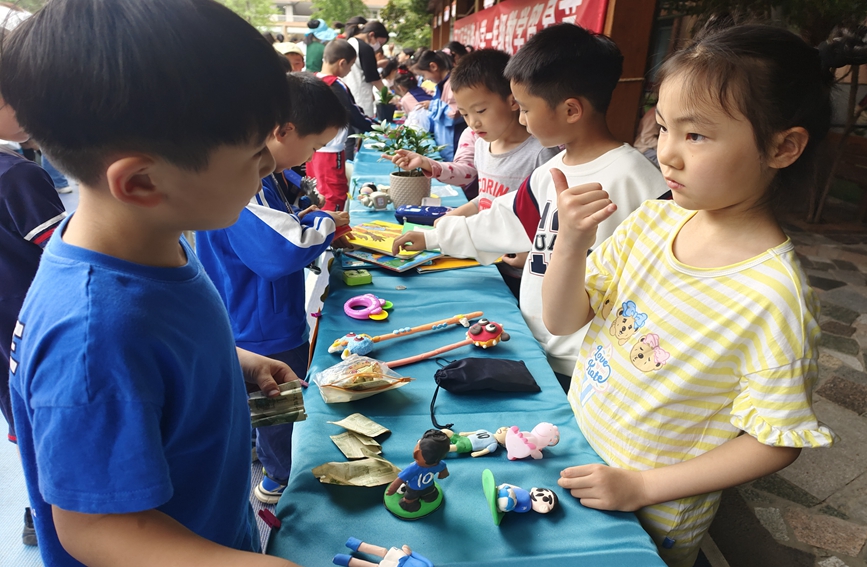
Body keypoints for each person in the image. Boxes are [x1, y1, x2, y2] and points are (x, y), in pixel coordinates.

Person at [2, 1, 303, 566]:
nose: (269, 165)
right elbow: (96, 530)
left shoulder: (147, 241)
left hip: (210, 529)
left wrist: (235, 360)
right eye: (253, 153)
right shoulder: (93, 336)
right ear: (142, 181)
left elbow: (160, 342)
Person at [544, 25, 837, 567]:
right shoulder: (653, 222)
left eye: (696, 136)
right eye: (662, 129)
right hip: (580, 453)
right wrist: (571, 245)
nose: (667, 155)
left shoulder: (773, 296)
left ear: (783, 147)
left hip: (649, 513)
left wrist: (640, 487)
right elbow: (563, 320)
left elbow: (775, 440)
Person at [393, 24, 667, 388]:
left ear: (571, 110)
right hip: (536, 343)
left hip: (592, 363)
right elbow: (502, 221)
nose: (520, 119)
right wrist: (432, 239)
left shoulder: (639, 183)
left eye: (524, 108)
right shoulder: (550, 172)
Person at [197, 73, 349, 504]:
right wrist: (323, 222)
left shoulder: (264, 174)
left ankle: (265, 454)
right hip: (260, 322)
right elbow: (280, 251)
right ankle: (279, 479)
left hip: (253, 312)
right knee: (278, 405)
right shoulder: (248, 182)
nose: (314, 156)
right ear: (283, 131)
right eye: (315, 145)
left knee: (260, 404)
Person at [390, 49, 559, 298]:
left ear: (514, 100)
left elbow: (551, 217)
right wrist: (453, 216)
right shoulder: (481, 144)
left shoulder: (540, 152)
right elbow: (487, 199)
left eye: (481, 111)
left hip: (524, 269)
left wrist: (534, 252)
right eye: (465, 114)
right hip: (489, 256)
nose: (473, 123)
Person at [0, 95, 66, 548]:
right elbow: (66, 254)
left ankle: (39, 511)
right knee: (53, 424)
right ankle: (59, 514)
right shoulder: (17, 177)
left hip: (7, 331)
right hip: (33, 323)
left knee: (23, 418)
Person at [310, 39, 373, 211]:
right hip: (330, 151)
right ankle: (333, 233)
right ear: (342, 62)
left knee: (315, 193)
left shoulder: (311, 80)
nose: (350, 70)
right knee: (334, 193)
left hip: (310, 151)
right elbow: (354, 115)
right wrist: (377, 127)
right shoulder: (336, 84)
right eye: (351, 65)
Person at [410, 49, 462, 161]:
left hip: (455, 141)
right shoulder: (441, 85)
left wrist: (432, 106)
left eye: (423, 74)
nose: (424, 79)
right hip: (445, 141)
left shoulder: (453, 83)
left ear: (433, 66)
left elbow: (455, 114)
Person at [344, 18, 388, 117]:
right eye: (380, 43)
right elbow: (373, 77)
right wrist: (388, 96)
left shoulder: (349, 42)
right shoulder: (365, 48)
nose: (378, 46)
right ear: (371, 35)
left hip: (347, 95)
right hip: (360, 97)